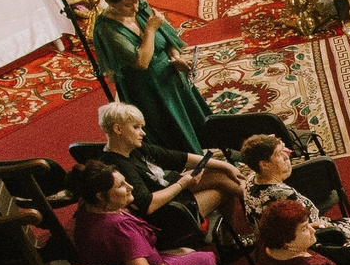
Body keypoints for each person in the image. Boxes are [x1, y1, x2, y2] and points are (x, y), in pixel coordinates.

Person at [90, 0, 216, 152]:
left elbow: (166, 38)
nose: (134, 8)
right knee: (173, 135)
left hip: (171, 77)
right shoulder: (107, 29)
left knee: (196, 123)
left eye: (135, 2)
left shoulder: (139, 5)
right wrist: (150, 29)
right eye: (127, 5)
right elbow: (142, 62)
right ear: (109, 2)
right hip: (147, 90)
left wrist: (176, 57)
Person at [239, 133, 350, 265]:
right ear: (264, 164)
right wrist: (321, 225)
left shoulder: (252, 178)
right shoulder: (283, 195)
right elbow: (302, 227)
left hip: (273, 242)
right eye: (279, 154)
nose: (287, 156)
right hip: (303, 240)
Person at [95, 102, 243, 243]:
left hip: (172, 189)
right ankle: (236, 233)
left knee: (219, 172)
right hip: (168, 213)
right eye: (136, 127)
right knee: (224, 188)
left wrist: (226, 166)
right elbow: (148, 205)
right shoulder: (118, 166)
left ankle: (255, 201)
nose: (143, 133)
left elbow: (179, 158)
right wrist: (182, 184)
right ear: (118, 129)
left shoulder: (133, 148)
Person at [68, 161, 215, 265]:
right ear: (100, 196)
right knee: (208, 258)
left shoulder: (87, 206)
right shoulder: (118, 227)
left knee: (189, 251)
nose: (130, 187)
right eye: (121, 186)